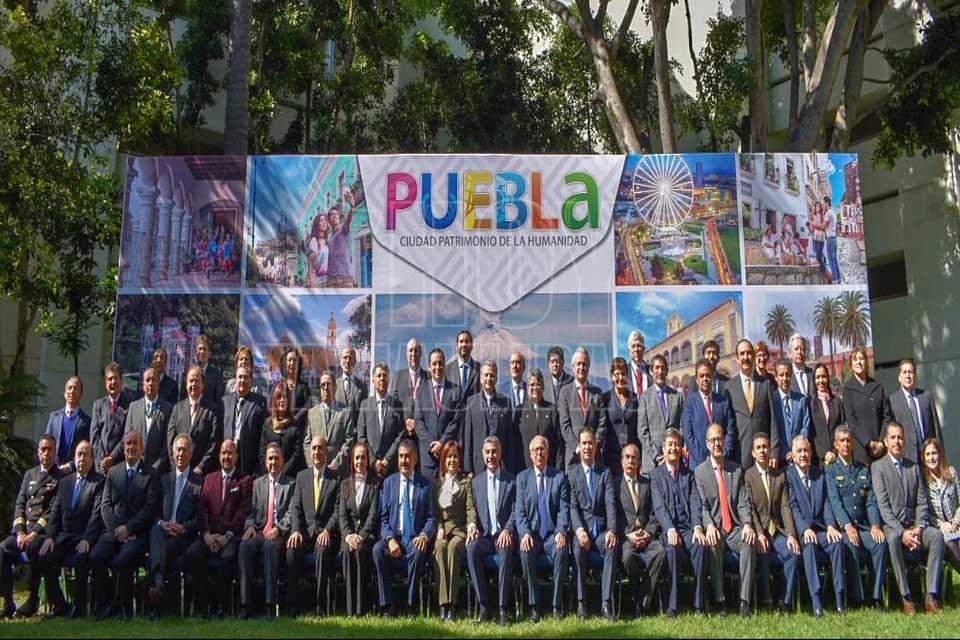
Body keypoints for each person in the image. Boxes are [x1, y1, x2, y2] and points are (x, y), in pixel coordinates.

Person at [872, 422, 945, 614]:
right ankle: (906, 598)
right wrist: (902, 532)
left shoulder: (913, 467)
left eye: (900, 438)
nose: (897, 441)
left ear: (904, 441)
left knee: (936, 536)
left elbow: (922, 501)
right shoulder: (878, 468)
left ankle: (931, 596)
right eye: (893, 437)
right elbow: (883, 507)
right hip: (893, 527)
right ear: (886, 441)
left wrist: (919, 528)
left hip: (914, 526)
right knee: (893, 540)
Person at [90, 430, 160, 620]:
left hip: (138, 533)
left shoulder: (151, 474)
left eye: (135, 443)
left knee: (124, 560)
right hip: (113, 531)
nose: (131, 447)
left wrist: (129, 529)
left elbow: (149, 508)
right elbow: (105, 506)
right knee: (96, 557)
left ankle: (125, 608)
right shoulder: (113, 472)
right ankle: (109, 600)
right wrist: (117, 529)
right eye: (128, 443)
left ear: (142, 448)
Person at [694, 422, 757, 617]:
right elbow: (703, 506)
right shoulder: (700, 472)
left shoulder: (736, 470)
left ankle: (744, 601)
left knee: (749, 541)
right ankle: (720, 600)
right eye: (713, 440)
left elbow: (742, 502)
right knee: (712, 544)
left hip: (735, 528)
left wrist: (747, 524)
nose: (717, 444)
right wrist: (709, 526)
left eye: (719, 439)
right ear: (707, 444)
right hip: (716, 529)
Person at [184, 439, 252, 617]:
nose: (226, 457)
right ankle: (204, 604)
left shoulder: (244, 480)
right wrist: (207, 534)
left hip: (231, 537)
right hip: (209, 535)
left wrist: (226, 536)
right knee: (192, 554)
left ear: (236, 456)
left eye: (230, 453)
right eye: (223, 453)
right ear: (219, 455)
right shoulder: (209, 479)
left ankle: (222, 605)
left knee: (228, 558)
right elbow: (202, 509)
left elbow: (243, 512)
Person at [37, 440, 104, 618]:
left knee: (82, 559)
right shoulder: (65, 482)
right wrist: (49, 537)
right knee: (45, 557)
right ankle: (59, 605)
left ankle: (79, 607)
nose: (82, 458)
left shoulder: (98, 483)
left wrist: (87, 539)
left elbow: (96, 515)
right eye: (79, 454)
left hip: (84, 538)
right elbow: (55, 513)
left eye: (86, 455)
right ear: (74, 458)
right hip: (64, 537)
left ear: (92, 459)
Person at [824, 425, 887, 609]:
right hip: (845, 527)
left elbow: (870, 501)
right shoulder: (831, 470)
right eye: (841, 441)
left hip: (864, 526)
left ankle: (875, 597)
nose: (845, 444)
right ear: (836, 444)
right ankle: (856, 598)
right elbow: (835, 501)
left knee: (880, 543)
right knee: (849, 544)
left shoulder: (863, 469)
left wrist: (875, 524)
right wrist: (846, 525)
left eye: (848, 440)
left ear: (852, 444)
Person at [373, 439, 436, 616]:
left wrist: (424, 535)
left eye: (407, 456)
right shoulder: (389, 483)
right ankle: (388, 605)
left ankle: (410, 604)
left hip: (415, 538)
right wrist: (389, 539)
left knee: (418, 551)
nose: (403, 461)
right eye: (401, 456)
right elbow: (383, 519)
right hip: (395, 537)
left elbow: (432, 518)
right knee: (377, 550)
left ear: (415, 459)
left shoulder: (426, 485)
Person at [0, 436, 61, 618]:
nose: (46, 453)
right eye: (43, 449)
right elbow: (20, 504)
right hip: (23, 532)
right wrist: (19, 532)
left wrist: (33, 533)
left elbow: (52, 511)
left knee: (36, 547)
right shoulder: (29, 475)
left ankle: (32, 599)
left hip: (41, 533)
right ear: (38, 452)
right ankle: (8, 600)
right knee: (3, 548)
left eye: (49, 449)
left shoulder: (59, 477)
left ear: (55, 452)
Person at [784, 435, 845, 617]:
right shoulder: (788, 476)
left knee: (836, 542)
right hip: (803, 532)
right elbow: (793, 507)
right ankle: (816, 601)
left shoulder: (819, 474)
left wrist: (831, 525)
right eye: (799, 451)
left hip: (821, 529)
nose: (803, 454)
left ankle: (840, 598)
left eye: (806, 450)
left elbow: (826, 503)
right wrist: (804, 529)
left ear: (811, 453)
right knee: (809, 545)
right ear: (793, 455)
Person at [649, 428, 707, 617]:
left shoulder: (689, 475)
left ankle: (699, 604)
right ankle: (673, 606)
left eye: (676, 444)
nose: (673, 448)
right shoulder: (655, 476)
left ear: (681, 448)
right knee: (672, 549)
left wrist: (697, 527)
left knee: (700, 545)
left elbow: (695, 503)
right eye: (670, 444)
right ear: (663, 449)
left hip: (687, 528)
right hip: (668, 530)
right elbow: (659, 507)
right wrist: (670, 529)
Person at [515, 435, 570, 622]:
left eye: (542, 449)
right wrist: (524, 534)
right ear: (530, 454)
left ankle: (556, 605)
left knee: (562, 549)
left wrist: (561, 531)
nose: (539, 453)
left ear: (548, 452)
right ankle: (534, 606)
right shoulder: (522, 478)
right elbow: (519, 511)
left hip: (552, 535)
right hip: (532, 535)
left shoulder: (559, 477)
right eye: (536, 450)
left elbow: (563, 508)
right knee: (525, 551)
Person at [744, 432, 801, 613]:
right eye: (758, 448)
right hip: (760, 532)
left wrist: (791, 534)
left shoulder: (779, 476)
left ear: (770, 450)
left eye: (765, 447)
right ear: (753, 453)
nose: (762, 451)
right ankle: (766, 600)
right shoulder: (748, 476)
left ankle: (785, 601)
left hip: (777, 531)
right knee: (762, 552)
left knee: (793, 553)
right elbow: (750, 509)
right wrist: (760, 533)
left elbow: (785, 507)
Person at [147, 434, 203, 616]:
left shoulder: (199, 483)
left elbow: (200, 518)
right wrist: (162, 523)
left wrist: (183, 528)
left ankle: (156, 586)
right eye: (178, 449)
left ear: (191, 454)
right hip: (162, 532)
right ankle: (159, 585)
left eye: (184, 450)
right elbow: (153, 513)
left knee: (158, 552)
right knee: (155, 530)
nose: (180, 453)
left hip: (182, 537)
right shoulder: (163, 480)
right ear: (172, 453)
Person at [286, 435, 341, 617]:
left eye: (320, 448)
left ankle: (320, 606)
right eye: (314, 448)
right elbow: (296, 508)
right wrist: (295, 530)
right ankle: (293, 606)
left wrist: (327, 530)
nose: (317, 452)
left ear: (327, 452)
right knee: (292, 549)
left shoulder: (335, 478)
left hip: (326, 535)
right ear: (310, 452)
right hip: (305, 534)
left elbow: (337, 510)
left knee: (322, 550)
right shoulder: (301, 477)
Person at [238, 443, 295, 620]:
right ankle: (245, 606)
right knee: (245, 546)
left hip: (280, 533)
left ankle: (270, 605)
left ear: (283, 461)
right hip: (260, 531)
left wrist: (279, 528)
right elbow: (251, 512)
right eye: (270, 458)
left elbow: (292, 512)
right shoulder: (257, 483)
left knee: (270, 547)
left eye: (276, 458)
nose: (273, 462)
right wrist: (249, 526)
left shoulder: (291, 483)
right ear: (265, 461)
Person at [568, 428, 618, 620]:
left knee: (612, 545)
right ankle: (582, 603)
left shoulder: (605, 473)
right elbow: (573, 507)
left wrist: (612, 529)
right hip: (583, 532)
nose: (587, 447)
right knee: (577, 548)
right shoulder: (572, 474)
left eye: (590, 443)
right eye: (584, 443)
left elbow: (610, 503)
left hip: (602, 532)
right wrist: (579, 530)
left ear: (596, 447)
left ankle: (606, 603)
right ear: (579, 447)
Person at [467, 436, 516, 625]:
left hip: (503, 535)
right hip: (485, 537)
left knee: (505, 549)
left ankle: (502, 609)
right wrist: (472, 526)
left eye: (494, 452)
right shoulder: (476, 483)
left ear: (500, 453)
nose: (491, 456)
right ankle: (484, 607)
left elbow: (516, 510)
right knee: (471, 548)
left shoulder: (511, 481)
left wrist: (508, 529)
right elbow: (472, 510)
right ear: (483, 454)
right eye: (487, 452)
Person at [615, 443, 665, 618]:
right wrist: (628, 535)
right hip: (627, 537)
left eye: (634, 458)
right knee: (628, 557)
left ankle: (641, 599)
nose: (630, 461)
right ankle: (637, 595)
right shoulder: (615, 485)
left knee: (660, 552)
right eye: (627, 457)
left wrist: (649, 532)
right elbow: (614, 516)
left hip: (647, 536)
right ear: (622, 461)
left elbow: (655, 512)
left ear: (638, 462)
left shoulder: (647, 483)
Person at [431, 441, 477, 621]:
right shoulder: (437, 484)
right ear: (444, 459)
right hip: (443, 531)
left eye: (455, 456)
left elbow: (470, 508)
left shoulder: (466, 483)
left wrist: (472, 524)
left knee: (452, 548)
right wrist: (439, 527)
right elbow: (435, 513)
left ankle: (452, 605)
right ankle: (443, 604)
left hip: (460, 531)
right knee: (440, 547)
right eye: (449, 456)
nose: (452, 460)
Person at [339, 442, 379, 617]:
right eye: (357, 458)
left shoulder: (374, 485)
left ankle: (361, 608)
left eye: (363, 458)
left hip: (366, 537)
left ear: (368, 460)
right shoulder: (344, 485)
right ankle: (350, 609)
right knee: (347, 552)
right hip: (348, 537)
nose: (359, 461)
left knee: (360, 551)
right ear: (352, 460)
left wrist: (360, 536)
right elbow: (342, 515)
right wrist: (348, 536)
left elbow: (372, 517)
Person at [724, 340, 776, 468]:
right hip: (739, 455)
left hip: (763, 455)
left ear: (753, 357)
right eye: (742, 354)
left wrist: (774, 452)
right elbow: (727, 423)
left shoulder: (765, 384)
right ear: (737, 359)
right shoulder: (729, 387)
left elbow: (773, 421)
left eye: (748, 353)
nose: (745, 357)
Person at [413, 348, 463, 480]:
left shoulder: (455, 390)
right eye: (434, 364)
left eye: (440, 363)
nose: (437, 367)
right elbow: (418, 421)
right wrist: (432, 445)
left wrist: (441, 444)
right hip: (428, 459)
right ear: (429, 367)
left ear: (444, 365)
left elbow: (456, 421)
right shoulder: (421, 390)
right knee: (428, 493)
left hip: (448, 458)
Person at [841, 347, 892, 465]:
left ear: (866, 362)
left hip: (880, 448)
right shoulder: (848, 389)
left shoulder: (877, 386)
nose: (858, 362)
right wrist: (868, 442)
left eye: (861, 358)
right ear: (851, 365)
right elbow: (851, 421)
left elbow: (887, 415)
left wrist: (881, 442)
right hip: (861, 450)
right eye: (855, 359)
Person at [557, 347, 607, 469]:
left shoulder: (597, 392)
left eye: (584, 364)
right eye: (578, 364)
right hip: (573, 457)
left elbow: (602, 423)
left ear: (588, 367)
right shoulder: (565, 392)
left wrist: (593, 446)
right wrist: (578, 447)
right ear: (573, 367)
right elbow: (565, 426)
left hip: (594, 456)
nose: (581, 367)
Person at [169, 364, 222, 476]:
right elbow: (170, 441)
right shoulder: (177, 409)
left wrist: (201, 467)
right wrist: (176, 466)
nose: (193, 384)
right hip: (178, 471)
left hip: (201, 474)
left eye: (197, 381)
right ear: (186, 384)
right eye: (191, 381)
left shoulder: (212, 410)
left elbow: (214, 443)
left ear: (203, 384)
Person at [682, 359, 735, 469]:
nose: (705, 379)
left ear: (712, 378)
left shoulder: (723, 402)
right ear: (697, 380)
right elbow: (688, 434)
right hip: (698, 465)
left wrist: (724, 454)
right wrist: (704, 461)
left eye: (708, 375)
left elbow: (730, 430)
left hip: (722, 462)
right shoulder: (689, 403)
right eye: (701, 376)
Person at [462, 361, 512, 477]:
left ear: (496, 379)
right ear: (480, 378)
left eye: (492, 375)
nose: (489, 378)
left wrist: (509, 465)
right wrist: (468, 469)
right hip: (478, 465)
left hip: (500, 464)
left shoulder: (506, 402)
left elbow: (509, 437)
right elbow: (468, 437)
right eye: (486, 375)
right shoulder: (471, 402)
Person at [889, 359, 943, 464]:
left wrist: (940, 454)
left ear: (915, 376)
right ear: (899, 377)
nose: (908, 375)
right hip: (907, 457)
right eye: (904, 372)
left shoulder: (926, 397)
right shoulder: (892, 401)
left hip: (928, 456)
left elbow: (936, 429)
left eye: (911, 372)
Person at [358, 362, 405, 481]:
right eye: (378, 376)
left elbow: (400, 436)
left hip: (391, 469)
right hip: (370, 469)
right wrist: (374, 462)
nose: (382, 378)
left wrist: (386, 461)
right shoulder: (365, 405)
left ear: (389, 380)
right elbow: (361, 437)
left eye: (385, 375)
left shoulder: (398, 405)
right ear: (373, 380)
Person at [920, 437, 960, 573]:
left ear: (940, 454)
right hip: (941, 529)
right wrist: (941, 524)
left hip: (957, 524)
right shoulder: (923, 482)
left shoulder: (951, 473)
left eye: (934, 453)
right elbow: (925, 512)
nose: (931, 458)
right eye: (928, 454)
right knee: (950, 544)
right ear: (924, 458)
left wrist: (957, 520)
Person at [637, 354, 681, 475]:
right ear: (651, 371)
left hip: (674, 460)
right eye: (656, 368)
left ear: (667, 371)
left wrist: (671, 452)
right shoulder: (645, 397)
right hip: (652, 462)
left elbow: (681, 427)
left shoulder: (677, 397)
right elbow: (642, 431)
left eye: (663, 368)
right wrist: (657, 455)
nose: (660, 371)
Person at [123, 367, 172, 474]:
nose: (150, 383)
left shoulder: (168, 409)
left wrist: (155, 467)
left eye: (154, 380)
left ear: (158, 384)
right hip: (135, 469)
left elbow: (167, 444)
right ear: (142, 384)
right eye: (148, 380)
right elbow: (127, 437)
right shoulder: (133, 407)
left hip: (157, 472)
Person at [223, 364, 268, 477]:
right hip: (227, 458)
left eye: (246, 377)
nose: (242, 380)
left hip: (248, 462)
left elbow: (263, 437)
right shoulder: (224, 402)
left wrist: (258, 468)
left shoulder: (260, 403)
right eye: (240, 377)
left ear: (251, 381)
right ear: (235, 380)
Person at [304, 371, 352, 477]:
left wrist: (336, 463)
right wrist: (313, 464)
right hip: (317, 471)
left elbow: (348, 441)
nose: (325, 388)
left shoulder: (346, 412)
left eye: (328, 384)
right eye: (323, 385)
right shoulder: (312, 413)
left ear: (335, 387)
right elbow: (307, 443)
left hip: (338, 472)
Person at [515, 368, 560, 473]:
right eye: (532, 385)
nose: (535, 388)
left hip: (549, 469)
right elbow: (515, 443)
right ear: (527, 387)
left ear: (543, 387)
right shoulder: (520, 411)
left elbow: (558, 442)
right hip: (525, 469)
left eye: (538, 384)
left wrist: (557, 468)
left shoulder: (552, 410)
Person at [90, 362, 133, 472]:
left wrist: (112, 458)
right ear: (105, 383)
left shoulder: (130, 405)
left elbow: (127, 435)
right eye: (110, 379)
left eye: (116, 378)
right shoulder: (98, 405)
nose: (113, 382)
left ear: (121, 380)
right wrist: (102, 461)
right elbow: (94, 435)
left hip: (119, 464)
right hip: (100, 466)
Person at [45, 376, 91, 473]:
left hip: (73, 472)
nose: (72, 391)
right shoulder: (54, 417)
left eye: (75, 388)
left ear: (81, 394)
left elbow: (86, 449)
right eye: (69, 388)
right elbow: (47, 443)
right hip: (53, 469)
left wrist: (70, 466)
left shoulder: (86, 421)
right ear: (65, 393)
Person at [772, 359, 812, 467]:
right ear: (776, 377)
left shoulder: (801, 399)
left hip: (799, 457)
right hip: (779, 459)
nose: (785, 378)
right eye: (781, 375)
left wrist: (796, 449)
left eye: (788, 375)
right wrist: (781, 452)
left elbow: (805, 426)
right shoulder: (771, 400)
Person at [602, 357, 638, 471]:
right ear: (612, 376)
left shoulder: (635, 398)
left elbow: (637, 428)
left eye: (623, 374)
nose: (620, 378)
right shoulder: (605, 398)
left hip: (630, 457)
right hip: (611, 456)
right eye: (617, 374)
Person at [389, 338, 428, 442]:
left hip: (424, 436)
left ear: (421, 353)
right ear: (406, 354)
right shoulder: (398, 376)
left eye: (416, 350)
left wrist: (417, 423)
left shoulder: (429, 377)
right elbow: (393, 405)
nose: (413, 354)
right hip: (403, 435)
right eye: (410, 350)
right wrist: (405, 422)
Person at [262, 383, 304, 478]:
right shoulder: (268, 424)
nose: (282, 400)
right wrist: (269, 470)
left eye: (285, 397)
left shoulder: (295, 425)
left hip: (290, 477)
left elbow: (297, 454)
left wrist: (283, 471)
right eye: (279, 397)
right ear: (274, 400)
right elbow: (262, 452)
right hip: (270, 476)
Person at [180, 335, 226, 410]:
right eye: (200, 349)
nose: (202, 352)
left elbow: (219, 401)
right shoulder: (187, 373)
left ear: (209, 353)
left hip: (209, 414)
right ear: (195, 352)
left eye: (205, 349)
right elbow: (182, 398)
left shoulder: (216, 375)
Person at [811, 363, 843, 465]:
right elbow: (812, 433)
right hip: (819, 459)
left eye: (823, 376)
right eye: (817, 377)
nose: (821, 380)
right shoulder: (810, 403)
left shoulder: (837, 401)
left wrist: (835, 451)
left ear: (828, 378)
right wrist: (824, 454)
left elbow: (841, 427)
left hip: (837, 455)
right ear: (814, 380)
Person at [325, 202, 357, 288]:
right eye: (332, 215)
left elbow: (348, 221)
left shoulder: (343, 229)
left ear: (339, 217)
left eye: (336, 214)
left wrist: (351, 208)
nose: (335, 216)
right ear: (328, 220)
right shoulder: (329, 237)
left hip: (345, 279)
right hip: (331, 279)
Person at [279, 347, 312, 426]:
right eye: (289, 360)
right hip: (279, 426)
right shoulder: (277, 386)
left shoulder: (304, 387)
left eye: (295, 360)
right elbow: (272, 405)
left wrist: (294, 419)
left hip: (297, 428)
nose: (292, 363)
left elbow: (308, 405)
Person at [336, 346, 368, 426]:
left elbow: (364, 415)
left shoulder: (362, 386)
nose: (347, 361)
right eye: (345, 358)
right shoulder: (334, 385)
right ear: (340, 361)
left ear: (355, 362)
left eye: (350, 358)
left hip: (355, 431)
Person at [445, 329, 481, 397]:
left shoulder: (480, 369)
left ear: (471, 346)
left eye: (467, 342)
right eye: (461, 341)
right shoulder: (446, 370)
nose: (464, 345)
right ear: (456, 346)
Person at [502, 351, 527, 422]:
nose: (514, 366)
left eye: (518, 362)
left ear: (524, 367)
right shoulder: (501, 389)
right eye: (512, 363)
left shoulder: (530, 389)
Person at [789, 334, 815, 399]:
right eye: (796, 349)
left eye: (802, 349)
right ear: (790, 353)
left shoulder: (813, 373)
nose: (799, 352)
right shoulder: (787, 375)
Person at [627, 331, 652, 397]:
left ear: (644, 349)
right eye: (633, 346)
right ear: (629, 351)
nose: (636, 349)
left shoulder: (652, 370)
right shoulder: (624, 372)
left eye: (639, 346)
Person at [823, 195, 841, 284]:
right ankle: (838, 278)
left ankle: (834, 280)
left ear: (826, 203)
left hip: (830, 240)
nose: (823, 205)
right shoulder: (833, 212)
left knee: (831, 260)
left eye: (823, 203)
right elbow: (836, 228)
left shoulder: (828, 213)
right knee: (835, 260)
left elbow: (823, 226)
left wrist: (814, 224)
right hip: (834, 239)